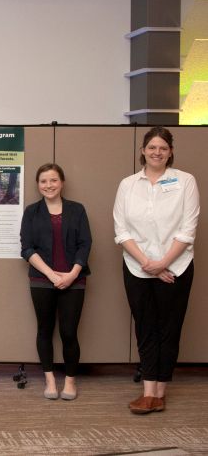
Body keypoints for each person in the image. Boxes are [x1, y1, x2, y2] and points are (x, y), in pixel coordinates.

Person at [114, 126, 199, 415]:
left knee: (169, 328)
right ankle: (148, 390)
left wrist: (163, 263)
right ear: (143, 150)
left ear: (171, 151)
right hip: (136, 267)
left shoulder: (185, 181)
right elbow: (121, 230)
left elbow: (188, 229)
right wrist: (148, 264)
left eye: (163, 147)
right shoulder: (128, 185)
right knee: (146, 328)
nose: (157, 152)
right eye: (152, 147)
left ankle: (161, 391)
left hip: (177, 267)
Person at [20, 163, 91, 401]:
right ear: (38, 185)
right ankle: (50, 379)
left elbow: (85, 244)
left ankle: (70, 381)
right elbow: (27, 248)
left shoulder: (77, 210)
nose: (48, 185)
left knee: (69, 332)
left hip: (74, 279)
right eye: (43, 181)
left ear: (62, 182)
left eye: (53, 180)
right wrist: (51, 275)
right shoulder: (31, 212)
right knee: (44, 330)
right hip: (42, 280)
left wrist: (71, 274)